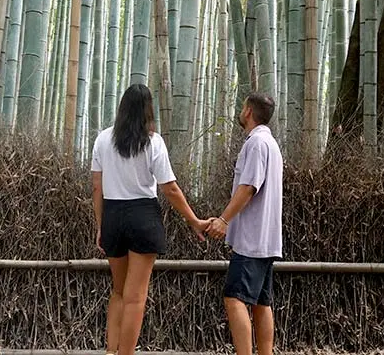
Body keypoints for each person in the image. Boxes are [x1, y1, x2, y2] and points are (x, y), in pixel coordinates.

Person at [91, 83, 207, 355]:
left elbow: (97, 187)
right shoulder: (153, 141)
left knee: (118, 292)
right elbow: (170, 188)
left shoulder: (102, 139)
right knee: (135, 297)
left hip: (113, 215)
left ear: (121, 108)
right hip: (143, 216)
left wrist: (100, 225)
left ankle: (111, 352)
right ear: (148, 110)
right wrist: (194, 220)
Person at [207, 94, 283, 355]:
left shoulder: (257, 143)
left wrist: (223, 219)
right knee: (261, 302)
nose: (241, 111)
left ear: (248, 111)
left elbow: (248, 187)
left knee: (234, 297)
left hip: (251, 240)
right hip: (266, 238)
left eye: (242, 107)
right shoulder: (270, 143)